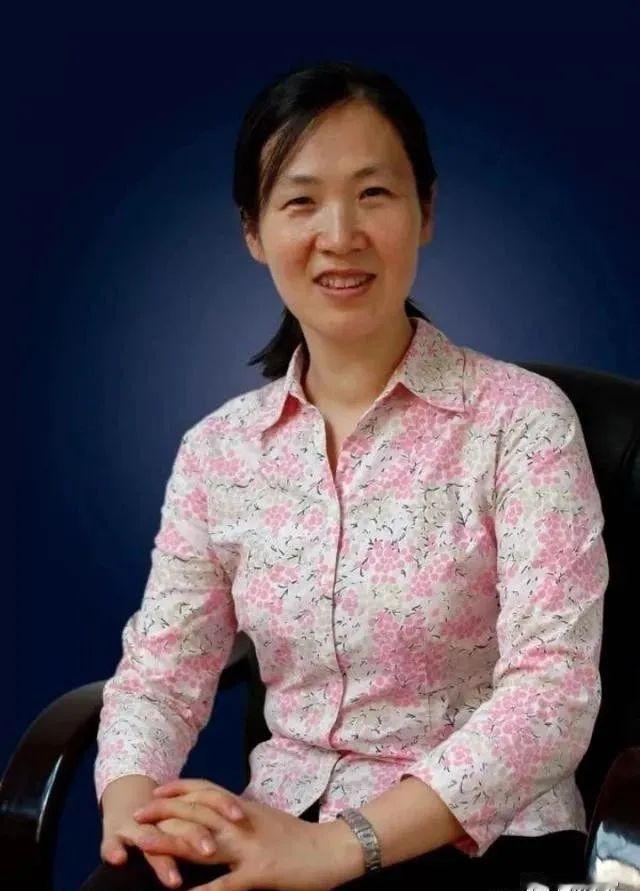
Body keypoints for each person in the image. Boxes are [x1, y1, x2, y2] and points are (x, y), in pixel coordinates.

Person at [80, 59, 607, 890]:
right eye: (300, 201)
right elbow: (163, 670)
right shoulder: (219, 451)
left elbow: (554, 694)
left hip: (476, 839)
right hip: (278, 820)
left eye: (374, 193)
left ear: (425, 210)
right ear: (254, 231)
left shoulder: (521, 421)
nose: (340, 234)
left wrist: (339, 846)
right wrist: (132, 810)